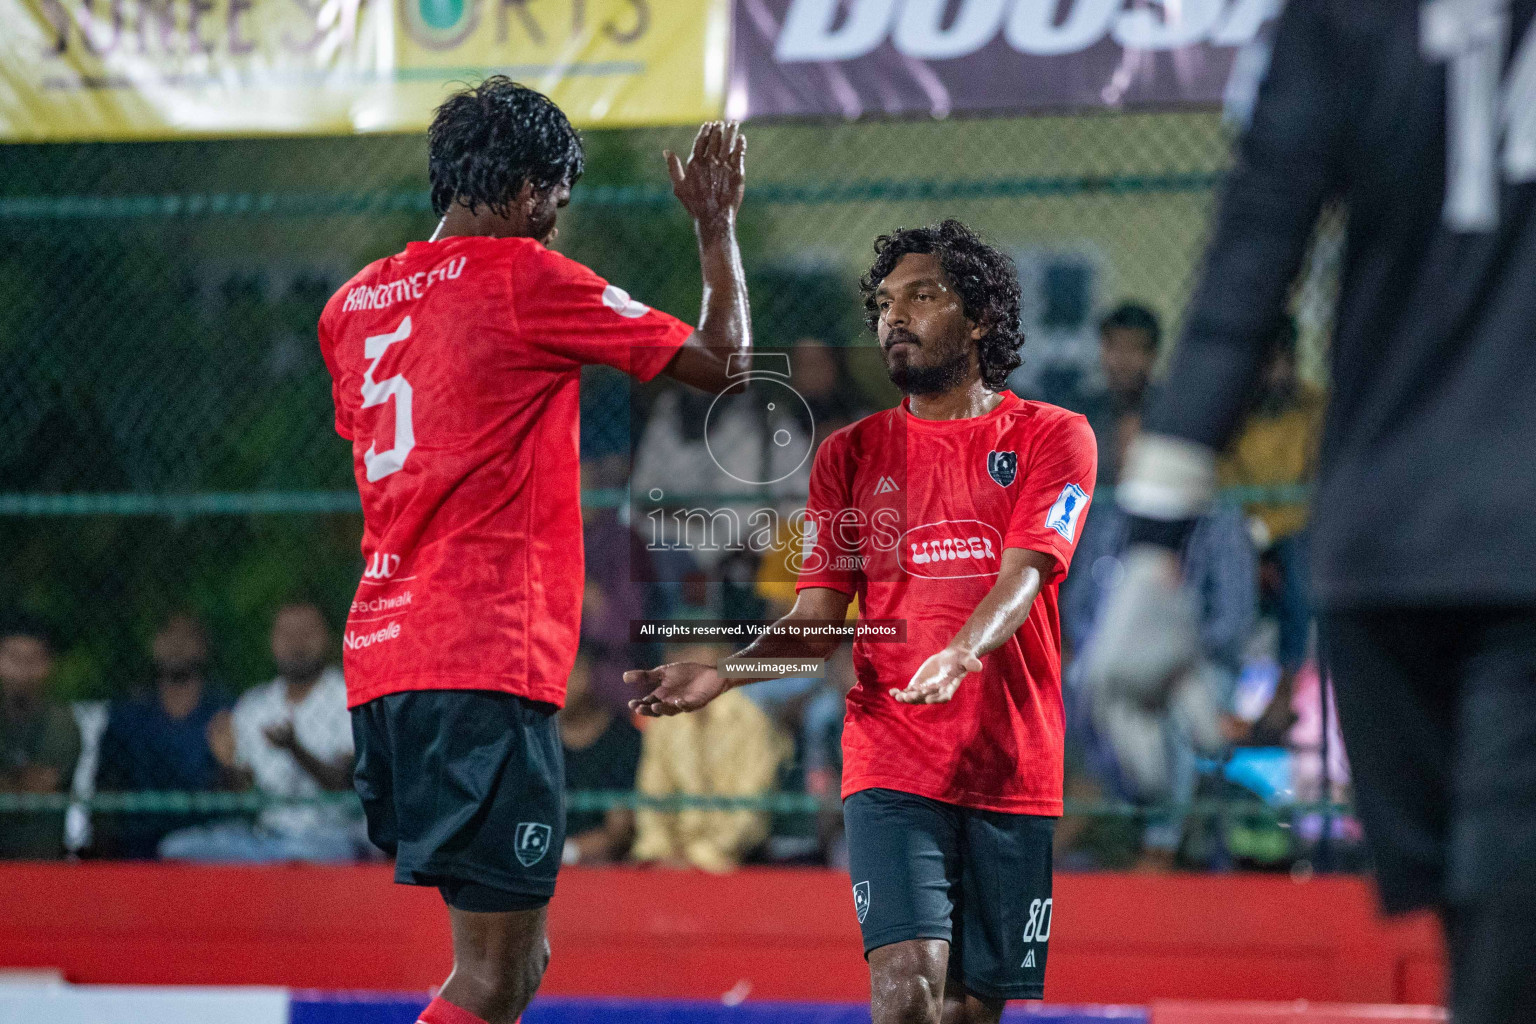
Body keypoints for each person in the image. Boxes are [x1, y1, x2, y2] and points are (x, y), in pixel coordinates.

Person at [1087, 3, 1536, 1021]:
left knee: (1489, 927)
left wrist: (1153, 547)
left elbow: (1248, 267)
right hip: (1441, 553)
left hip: (1390, 549)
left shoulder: (1346, 17)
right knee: (1505, 933)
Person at [317, 77, 750, 1024]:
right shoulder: (522, 278)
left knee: (512, 964)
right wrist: (716, 227)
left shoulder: (348, 308)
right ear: (521, 191)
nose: (557, 225)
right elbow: (724, 363)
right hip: (481, 659)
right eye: (555, 202)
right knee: (494, 975)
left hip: (385, 664)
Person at [628, 220, 1096, 1024]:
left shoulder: (1056, 436)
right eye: (883, 304)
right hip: (890, 755)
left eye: (922, 296)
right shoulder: (848, 454)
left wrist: (960, 652)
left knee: (970, 1009)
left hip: (1009, 760)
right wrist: (720, 672)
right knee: (907, 984)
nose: (894, 318)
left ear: (980, 316)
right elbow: (815, 622)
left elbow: (1024, 580)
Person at [159, 602, 358, 863]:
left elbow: (345, 783)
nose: (296, 644)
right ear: (272, 642)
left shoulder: (350, 696)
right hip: (265, 836)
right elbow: (241, 793)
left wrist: (295, 750)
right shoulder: (255, 704)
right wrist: (226, 763)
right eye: (287, 634)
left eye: (307, 633)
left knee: (294, 858)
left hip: (329, 836)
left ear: (330, 638)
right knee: (177, 848)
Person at [1217, 315, 1325, 743]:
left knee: (1297, 564)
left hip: (1296, 531)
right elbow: (1225, 484)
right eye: (1269, 363)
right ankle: (1220, 694)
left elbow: (1313, 487)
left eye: (1285, 362)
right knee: (1222, 554)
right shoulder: (1233, 415)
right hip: (1243, 531)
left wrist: (1268, 532)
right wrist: (1253, 536)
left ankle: (1286, 686)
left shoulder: (1316, 408)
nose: (1277, 373)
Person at [96, 613, 233, 859]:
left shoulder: (224, 711)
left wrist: (227, 764)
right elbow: (106, 784)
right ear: (154, 644)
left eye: (186, 637)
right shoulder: (128, 713)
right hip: (136, 842)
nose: (176, 644)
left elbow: (234, 787)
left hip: (207, 842)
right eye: (168, 635)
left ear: (203, 647)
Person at [0, 618, 79, 859]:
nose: (22, 669)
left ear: (48, 665)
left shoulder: (61, 722)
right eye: (13, 658)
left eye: (33, 659)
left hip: (40, 863)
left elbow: (37, 789)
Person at [558, 650, 640, 866]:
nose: (558, 682)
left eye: (568, 672)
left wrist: (567, 852)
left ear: (590, 676)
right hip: (538, 866)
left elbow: (620, 830)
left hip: (603, 872)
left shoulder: (623, 739)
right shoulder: (535, 738)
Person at [1079, 302, 1161, 484]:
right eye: (1114, 347)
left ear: (1152, 355)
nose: (1123, 360)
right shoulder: (1083, 412)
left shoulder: (1170, 411)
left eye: (1134, 348)